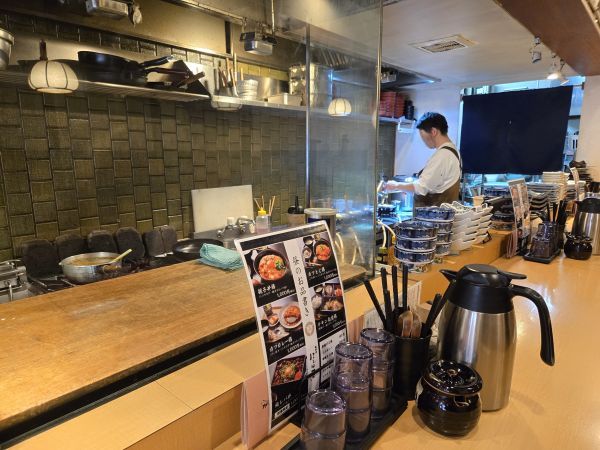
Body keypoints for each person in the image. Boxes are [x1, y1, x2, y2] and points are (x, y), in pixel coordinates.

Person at [383, 112, 462, 208]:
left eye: (422, 134)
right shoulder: (454, 151)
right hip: (445, 215)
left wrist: (396, 185)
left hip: (435, 215)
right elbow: (433, 186)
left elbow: (421, 188)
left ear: (433, 131)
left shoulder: (443, 155)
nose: (423, 140)